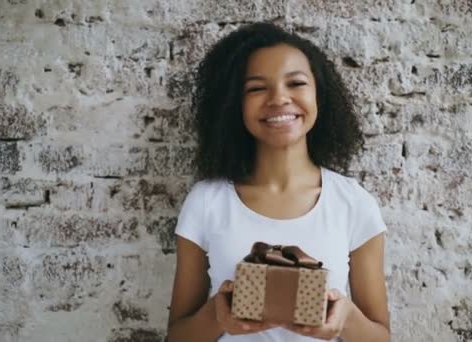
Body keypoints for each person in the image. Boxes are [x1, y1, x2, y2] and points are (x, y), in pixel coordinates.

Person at [167, 22, 390, 342]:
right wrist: (218, 314)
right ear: (234, 104)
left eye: (296, 83)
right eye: (256, 88)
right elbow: (176, 337)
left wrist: (345, 316)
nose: (279, 99)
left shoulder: (353, 203)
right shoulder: (206, 202)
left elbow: (382, 337)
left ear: (319, 94)